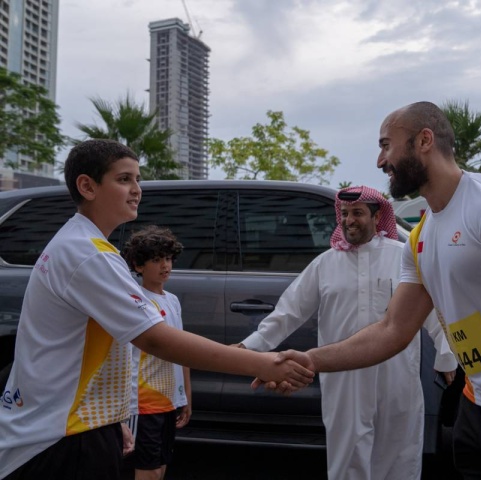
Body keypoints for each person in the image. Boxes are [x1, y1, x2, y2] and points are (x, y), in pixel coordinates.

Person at [269, 102, 481, 480]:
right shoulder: (422, 236)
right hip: (477, 408)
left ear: (424, 140)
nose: (379, 160)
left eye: (386, 145)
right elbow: (393, 329)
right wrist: (309, 361)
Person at [0, 139, 313, 480]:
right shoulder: (89, 254)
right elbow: (157, 340)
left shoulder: (80, 244)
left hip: (68, 427)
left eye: (137, 179)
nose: (137, 190)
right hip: (60, 439)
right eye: (124, 179)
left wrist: (110, 419)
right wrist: (265, 363)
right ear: (87, 186)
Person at [237, 185, 457, 479]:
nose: (349, 220)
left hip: (397, 373)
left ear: (378, 217)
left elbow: (429, 308)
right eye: (344, 213)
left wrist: (446, 358)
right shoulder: (325, 264)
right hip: (343, 375)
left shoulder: (402, 256)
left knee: (400, 452)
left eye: (357, 213)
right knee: (347, 454)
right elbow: (288, 313)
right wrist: (248, 350)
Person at [121, 225, 192, 480]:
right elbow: (124, 358)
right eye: (156, 259)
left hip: (168, 403)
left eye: (169, 258)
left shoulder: (172, 300)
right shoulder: (135, 300)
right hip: (143, 405)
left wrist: (185, 398)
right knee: (147, 470)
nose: (165, 265)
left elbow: (182, 351)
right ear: (138, 266)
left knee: (160, 467)